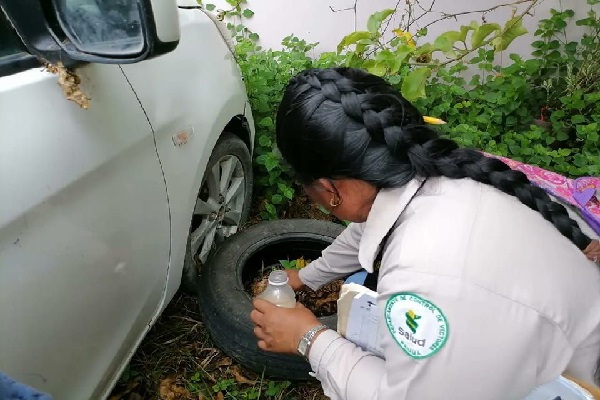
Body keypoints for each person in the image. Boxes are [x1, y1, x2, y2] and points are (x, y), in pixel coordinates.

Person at [249, 67, 600, 400]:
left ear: (328, 190)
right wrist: (307, 277)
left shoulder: (425, 277)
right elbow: (365, 228)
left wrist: (308, 338)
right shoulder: (449, 169)